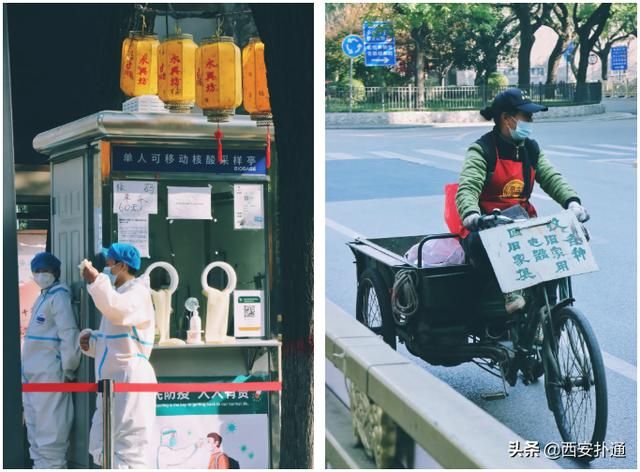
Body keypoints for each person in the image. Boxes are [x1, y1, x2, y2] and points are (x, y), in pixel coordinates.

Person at [454, 88, 590, 313]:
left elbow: (551, 177)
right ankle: (509, 291)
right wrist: (471, 214)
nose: (531, 121)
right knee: (480, 243)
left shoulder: (531, 149)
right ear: (507, 119)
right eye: (526, 116)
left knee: (555, 242)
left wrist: (572, 202)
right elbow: (467, 187)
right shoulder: (483, 150)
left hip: (522, 221)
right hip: (489, 223)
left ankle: (547, 314)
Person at [79, 243, 157, 468]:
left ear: (122, 266)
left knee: (128, 450)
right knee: (101, 445)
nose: (105, 268)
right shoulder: (121, 293)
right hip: (113, 382)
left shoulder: (137, 293)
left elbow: (116, 310)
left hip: (130, 380)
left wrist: (96, 281)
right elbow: (117, 340)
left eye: (108, 263)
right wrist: (91, 340)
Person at [21, 252, 81, 468]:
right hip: (33, 377)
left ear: (55, 272)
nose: (40, 275)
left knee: (50, 436)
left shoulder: (59, 297)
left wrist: (69, 368)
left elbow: (69, 334)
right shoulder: (44, 296)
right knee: (36, 434)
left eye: (44, 271)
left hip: (50, 376)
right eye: (36, 271)